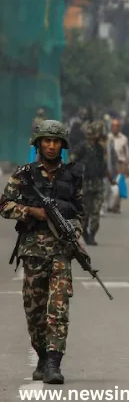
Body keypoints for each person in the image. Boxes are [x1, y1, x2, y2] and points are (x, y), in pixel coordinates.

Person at [0, 120, 85, 384]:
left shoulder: (72, 176)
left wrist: (74, 233)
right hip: (33, 251)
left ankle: (53, 362)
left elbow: (80, 213)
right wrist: (30, 212)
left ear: (62, 145)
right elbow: (4, 206)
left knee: (58, 308)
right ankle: (40, 355)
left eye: (56, 141)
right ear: (38, 144)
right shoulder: (23, 175)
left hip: (61, 251)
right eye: (46, 141)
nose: (51, 146)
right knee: (35, 311)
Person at [69, 121, 115, 246]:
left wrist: (111, 179)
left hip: (98, 183)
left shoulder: (100, 149)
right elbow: (71, 160)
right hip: (85, 183)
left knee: (96, 210)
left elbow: (104, 166)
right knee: (86, 212)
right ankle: (85, 233)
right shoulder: (81, 147)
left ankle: (92, 234)